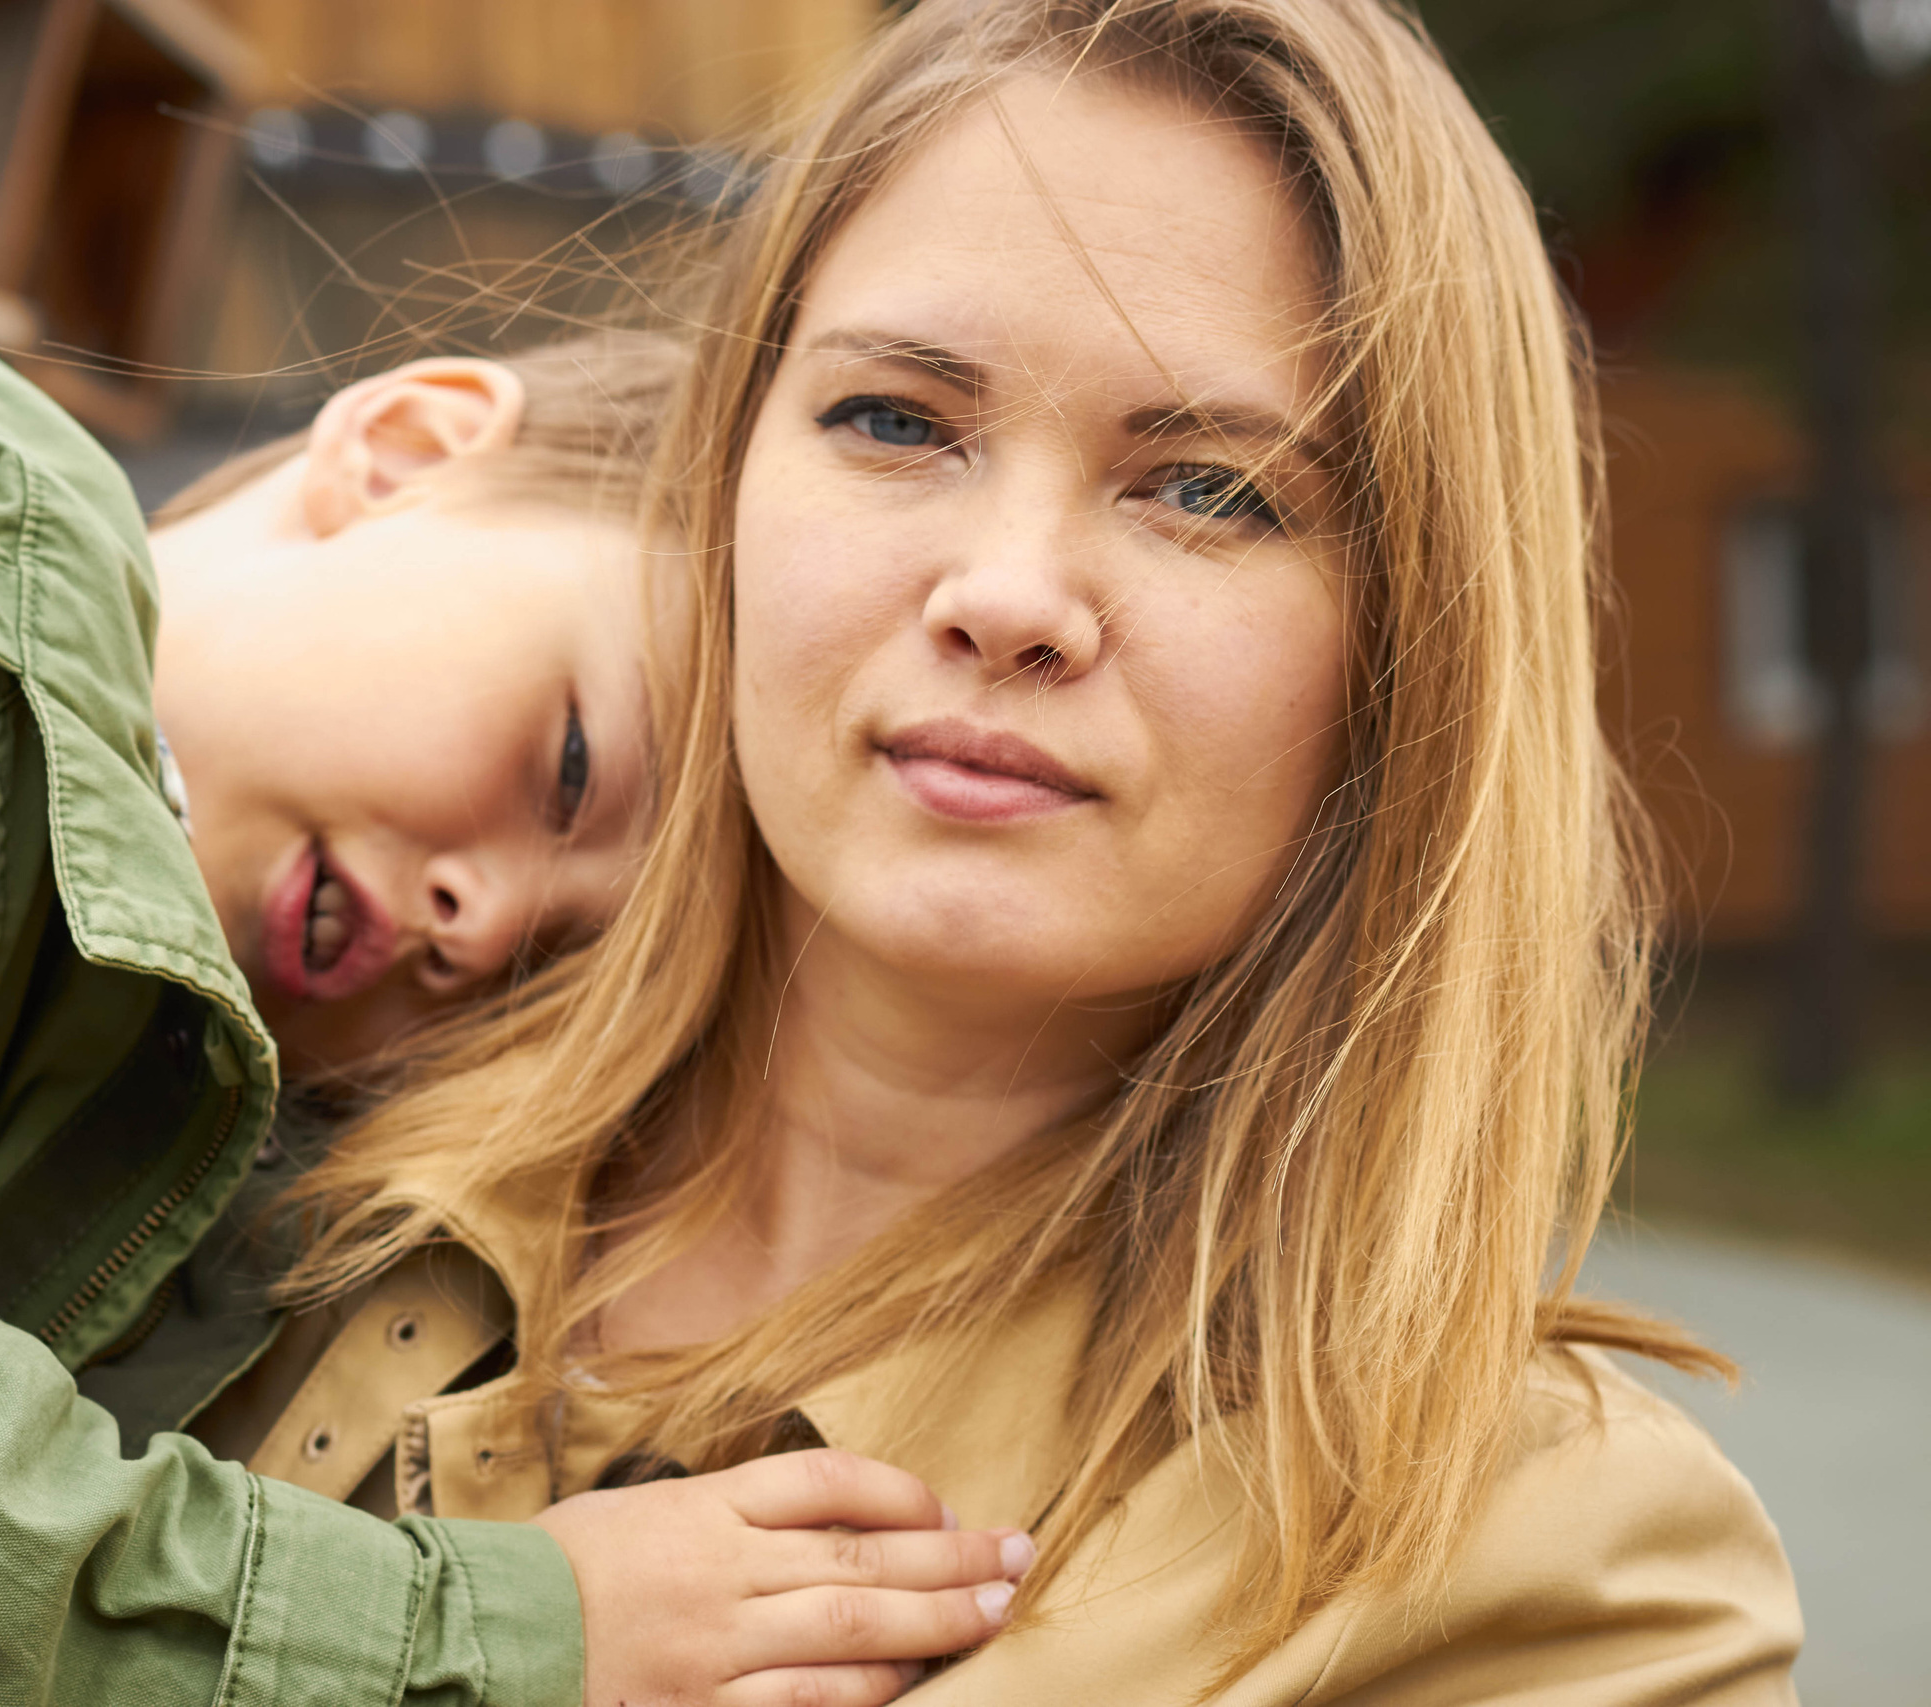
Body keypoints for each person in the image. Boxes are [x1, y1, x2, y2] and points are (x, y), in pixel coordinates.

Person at [175, 1, 1808, 1702]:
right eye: (896, 420)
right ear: (730, 471)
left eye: (1211, 490)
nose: (1010, 594)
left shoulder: (1548, 1574)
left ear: (1421, 650)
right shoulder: (209, 1131)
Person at [0, 297, 1017, 1705]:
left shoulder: (149, 1058)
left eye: (551, 969)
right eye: (569, 763)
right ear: (409, 447)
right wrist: (502, 1641)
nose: (481, 915)